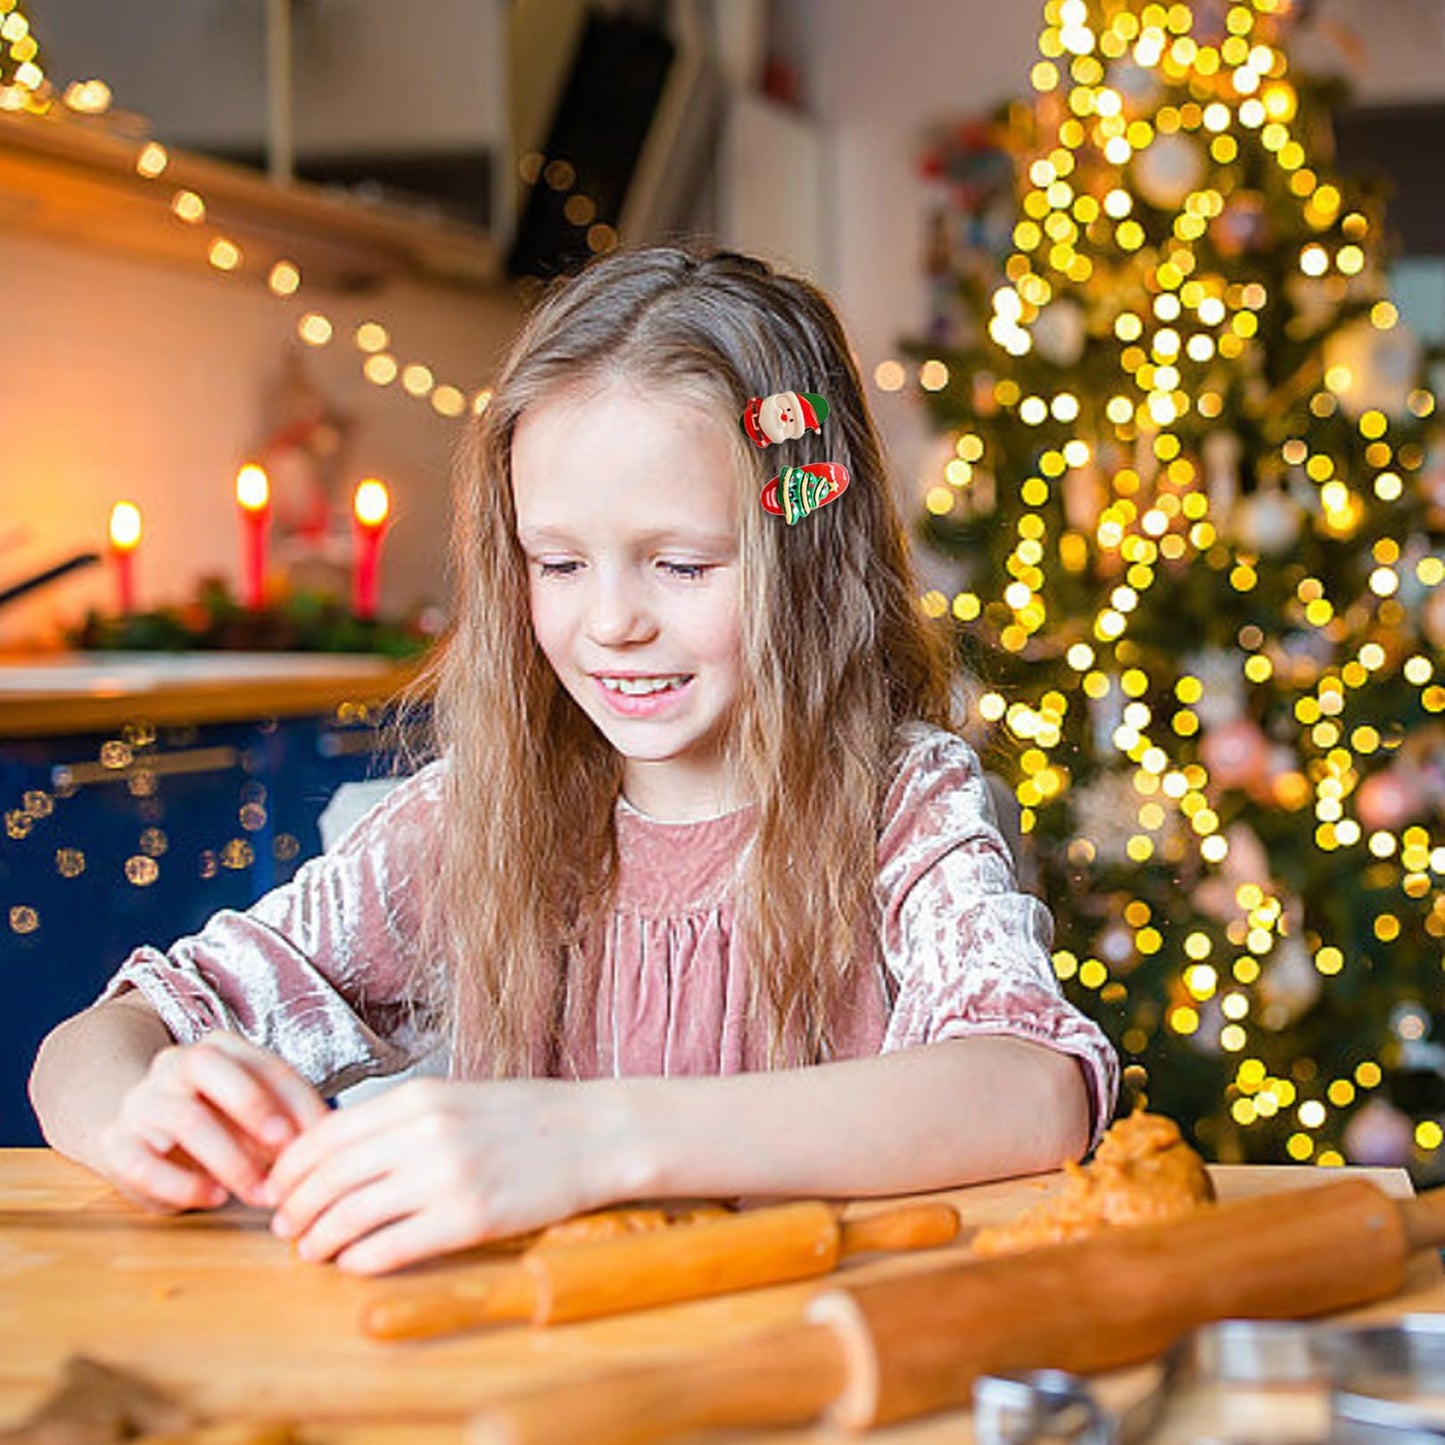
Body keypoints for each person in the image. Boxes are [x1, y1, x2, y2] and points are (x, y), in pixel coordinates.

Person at [30, 248, 1118, 1276]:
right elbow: (97, 1038)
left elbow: (1029, 1091)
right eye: (557, 561)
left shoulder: (903, 802)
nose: (609, 623)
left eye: (681, 564)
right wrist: (138, 1107)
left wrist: (591, 1136)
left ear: (806, 551)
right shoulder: (478, 817)